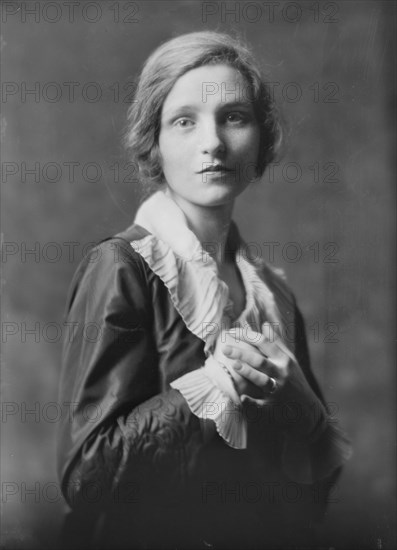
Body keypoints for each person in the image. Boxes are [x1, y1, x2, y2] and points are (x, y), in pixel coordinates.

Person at [57, 31, 351, 550]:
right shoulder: (122, 267)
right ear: (156, 141)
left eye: (234, 117)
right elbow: (87, 477)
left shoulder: (274, 296)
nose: (212, 142)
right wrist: (218, 381)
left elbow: (308, 507)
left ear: (262, 137)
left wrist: (306, 414)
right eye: (184, 121)